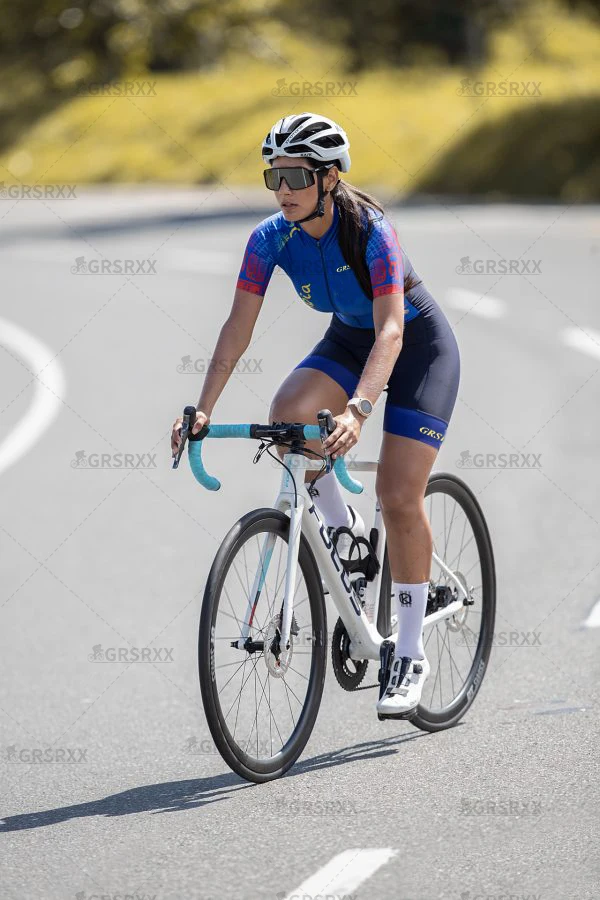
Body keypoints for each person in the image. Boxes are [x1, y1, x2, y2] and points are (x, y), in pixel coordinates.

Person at [171, 112, 460, 716]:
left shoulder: (371, 232)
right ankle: (344, 532)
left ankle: (409, 652)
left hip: (416, 347)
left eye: (297, 176)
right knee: (288, 417)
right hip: (349, 339)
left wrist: (358, 410)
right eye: (274, 176)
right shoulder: (270, 238)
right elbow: (237, 327)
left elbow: (391, 330)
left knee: (398, 495)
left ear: (329, 178)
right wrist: (203, 409)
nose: (284, 189)